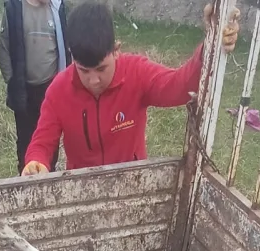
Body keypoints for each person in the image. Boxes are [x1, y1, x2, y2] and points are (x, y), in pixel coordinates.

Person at [21, 0, 240, 175]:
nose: (93, 80)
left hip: (133, 184)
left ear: (116, 50)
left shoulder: (136, 73)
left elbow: (179, 87)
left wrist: (210, 44)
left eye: (101, 69)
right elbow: (42, 141)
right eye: (83, 71)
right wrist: (35, 162)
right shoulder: (59, 90)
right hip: (81, 188)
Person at [0, 0, 70, 172]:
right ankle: (26, 177)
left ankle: (48, 174)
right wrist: (12, 81)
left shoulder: (57, 7)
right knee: (25, 139)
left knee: (50, 137)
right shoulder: (14, 8)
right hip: (24, 88)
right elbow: (4, 48)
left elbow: (66, 45)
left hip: (51, 88)